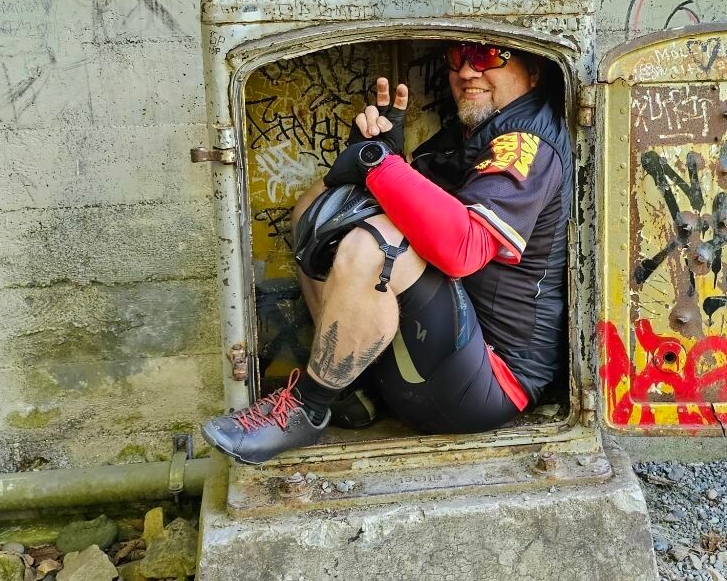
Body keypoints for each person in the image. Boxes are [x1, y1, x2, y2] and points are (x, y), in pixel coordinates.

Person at [201, 43, 573, 465]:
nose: (467, 72)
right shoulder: (472, 131)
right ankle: (345, 385)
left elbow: (464, 249)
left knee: (376, 243)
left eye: (487, 56)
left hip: (487, 382)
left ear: (533, 71)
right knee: (318, 211)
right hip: (431, 360)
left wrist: (379, 165)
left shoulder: (526, 143)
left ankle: (308, 407)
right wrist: (373, 158)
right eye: (457, 58)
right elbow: (393, 199)